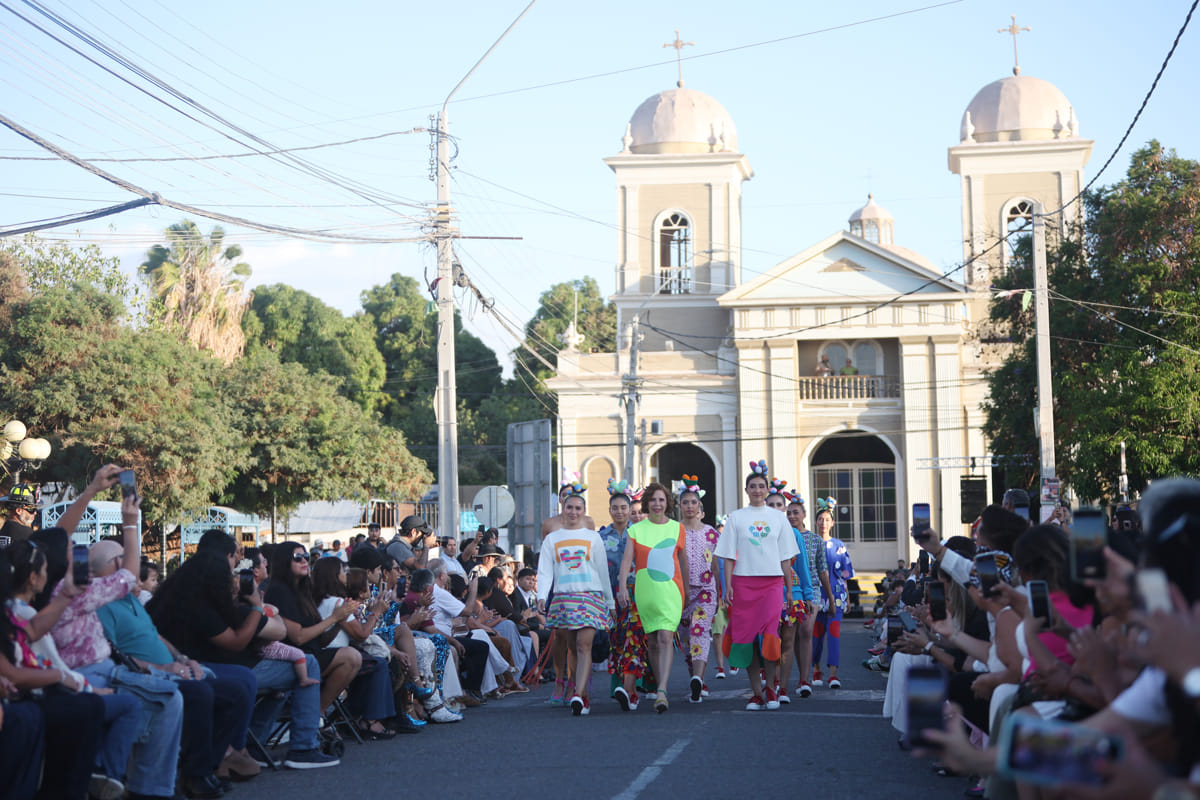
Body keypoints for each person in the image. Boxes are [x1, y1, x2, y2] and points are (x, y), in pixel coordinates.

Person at [49, 467, 188, 800]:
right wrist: (130, 523)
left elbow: (57, 535)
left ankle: (136, 783)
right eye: (71, 552)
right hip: (90, 675)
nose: (74, 551)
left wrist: (92, 489)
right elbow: (128, 575)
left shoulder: (64, 588)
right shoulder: (74, 592)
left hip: (100, 671)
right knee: (169, 697)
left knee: (173, 694)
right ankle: (136, 786)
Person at [93, 539, 257, 799]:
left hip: (171, 669)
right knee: (200, 693)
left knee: (235, 691)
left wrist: (182, 659)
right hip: (142, 679)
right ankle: (195, 775)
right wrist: (162, 667)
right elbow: (114, 654)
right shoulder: (102, 604)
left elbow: (155, 636)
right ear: (116, 564)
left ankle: (205, 767)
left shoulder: (130, 599)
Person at [148, 549, 338, 771]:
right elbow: (280, 632)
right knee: (309, 664)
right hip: (231, 668)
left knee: (289, 675)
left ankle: (255, 742)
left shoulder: (185, 603)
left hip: (217, 665)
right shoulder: (232, 609)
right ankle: (304, 747)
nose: (239, 581)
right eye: (236, 575)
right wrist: (257, 604)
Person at [714, 460, 799, 710]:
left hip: (772, 584)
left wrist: (789, 590)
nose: (758, 490)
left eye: (761, 486)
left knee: (770, 637)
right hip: (743, 584)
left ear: (767, 490)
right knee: (747, 638)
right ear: (747, 490)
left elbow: (786, 558)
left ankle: (771, 689)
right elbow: (728, 556)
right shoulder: (737, 518)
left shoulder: (778, 518)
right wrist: (727, 586)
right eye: (753, 486)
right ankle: (756, 693)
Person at [537, 485, 614, 716]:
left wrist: (609, 603)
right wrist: (542, 596)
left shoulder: (593, 537)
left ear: (584, 511)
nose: (573, 511)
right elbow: (545, 570)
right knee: (571, 646)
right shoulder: (552, 538)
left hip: (590, 595)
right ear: (563, 507)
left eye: (578, 508)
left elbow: (602, 570)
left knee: (583, 645)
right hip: (563, 597)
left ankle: (579, 695)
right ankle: (578, 690)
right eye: (569, 507)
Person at [617, 481, 688, 713]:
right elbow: (627, 561)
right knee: (654, 641)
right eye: (653, 500)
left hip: (671, 591)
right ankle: (659, 685)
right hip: (645, 590)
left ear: (668, 503)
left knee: (666, 636)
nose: (657, 504)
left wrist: (686, 590)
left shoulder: (678, 528)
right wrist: (621, 587)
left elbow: (684, 563)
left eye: (662, 500)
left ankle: (662, 691)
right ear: (647, 503)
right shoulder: (636, 530)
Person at [599, 480, 650, 710]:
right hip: (609, 597)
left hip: (635, 594)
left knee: (634, 641)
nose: (619, 512)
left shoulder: (639, 533)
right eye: (615, 508)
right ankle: (619, 687)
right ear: (609, 510)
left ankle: (632, 688)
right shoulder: (600, 537)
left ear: (630, 510)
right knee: (616, 642)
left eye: (623, 508)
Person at [676, 476, 720, 704]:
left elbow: (716, 564)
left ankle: (698, 678)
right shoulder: (673, 531)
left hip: (706, 590)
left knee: (700, 632)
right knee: (685, 639)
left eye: (694, 502)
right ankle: (696, 679)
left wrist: (722, 592)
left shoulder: (712, 533)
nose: (690, 506)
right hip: (680, 593)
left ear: (700, 507)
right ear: (679, 506)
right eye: (686, 502)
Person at [786, 494, 832, 699]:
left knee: (805, 630)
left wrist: (829, 596)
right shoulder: (782, 535)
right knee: (789, 635)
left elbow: (822, 570)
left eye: (796, 512)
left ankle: (805, 679)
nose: (792, 515)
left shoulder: (814, 539)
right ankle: (782, 679)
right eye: (789, 512)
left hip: (811, 589)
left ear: (804, 515)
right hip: (787, 589)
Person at [811, 496, 854, 689]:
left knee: (834, 633)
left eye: (827, 519)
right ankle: (815, 668)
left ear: (832, 523)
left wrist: (848, 597)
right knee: (816, 635)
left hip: (836, 595)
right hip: (815, 595)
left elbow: (845, 573)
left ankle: (833, 674)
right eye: (820, 519)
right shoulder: (810, 542)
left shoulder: (839, 545)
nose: (823, 523)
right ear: (815, 521)